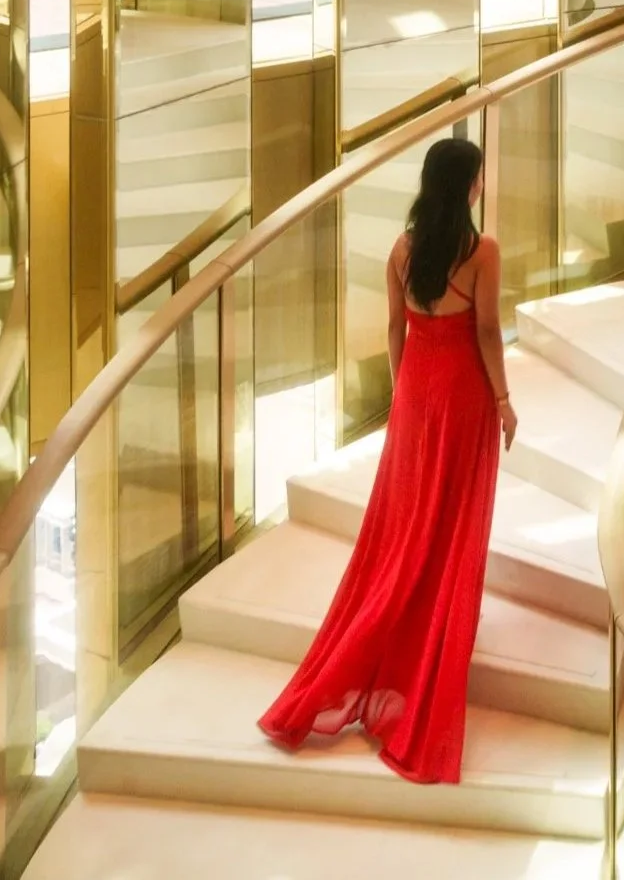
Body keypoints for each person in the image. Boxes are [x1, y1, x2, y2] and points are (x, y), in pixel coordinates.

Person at [258, 132, 519, 784]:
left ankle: (391, 628)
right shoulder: (481, 251)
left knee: (403, 527)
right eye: (478, 177)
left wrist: (404, 401)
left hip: (416, 399)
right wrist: (505, 399)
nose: (481, 184)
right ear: (467, 186)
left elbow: (395, 332)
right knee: (450, 518)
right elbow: (486, 331)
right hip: (461, 399)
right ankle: (429, 630)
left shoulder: (403, 252)